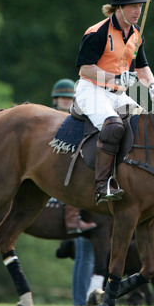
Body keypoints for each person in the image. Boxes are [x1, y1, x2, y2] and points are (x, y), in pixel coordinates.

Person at [74, 0, 154, 204]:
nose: (138, 11)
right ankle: (102, 185)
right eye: (133, 6)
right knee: (113, 126)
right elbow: (85, 68)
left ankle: (136, 178)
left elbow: (141, 66)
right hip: (92, 90)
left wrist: (151, 84)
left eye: (140, 6)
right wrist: (115, 78)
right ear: (119, 8)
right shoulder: (98, 32)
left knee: (146, 125)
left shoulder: (136, 33)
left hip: (117, 94)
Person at [51, 79, 97, 234]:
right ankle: (72, 220)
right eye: (62, 97)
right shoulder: (48, 117)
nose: (66, 100)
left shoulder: (77, 119)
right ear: (55, 99)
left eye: (69, 98)